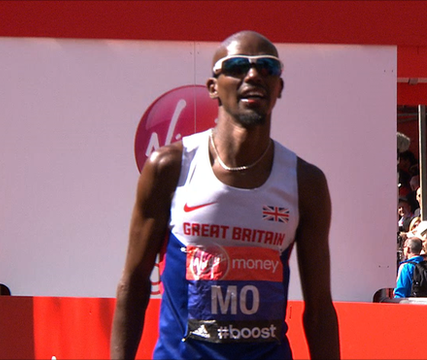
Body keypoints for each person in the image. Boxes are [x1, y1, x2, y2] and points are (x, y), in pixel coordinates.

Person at [110, 31, 340, 360]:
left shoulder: (306, 182)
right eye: (236, 66)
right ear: (213, 87)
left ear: (279, 87)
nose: (253, 75)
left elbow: (319, 309)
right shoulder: (169, 167)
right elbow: (133, 284)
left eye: (268, 68)